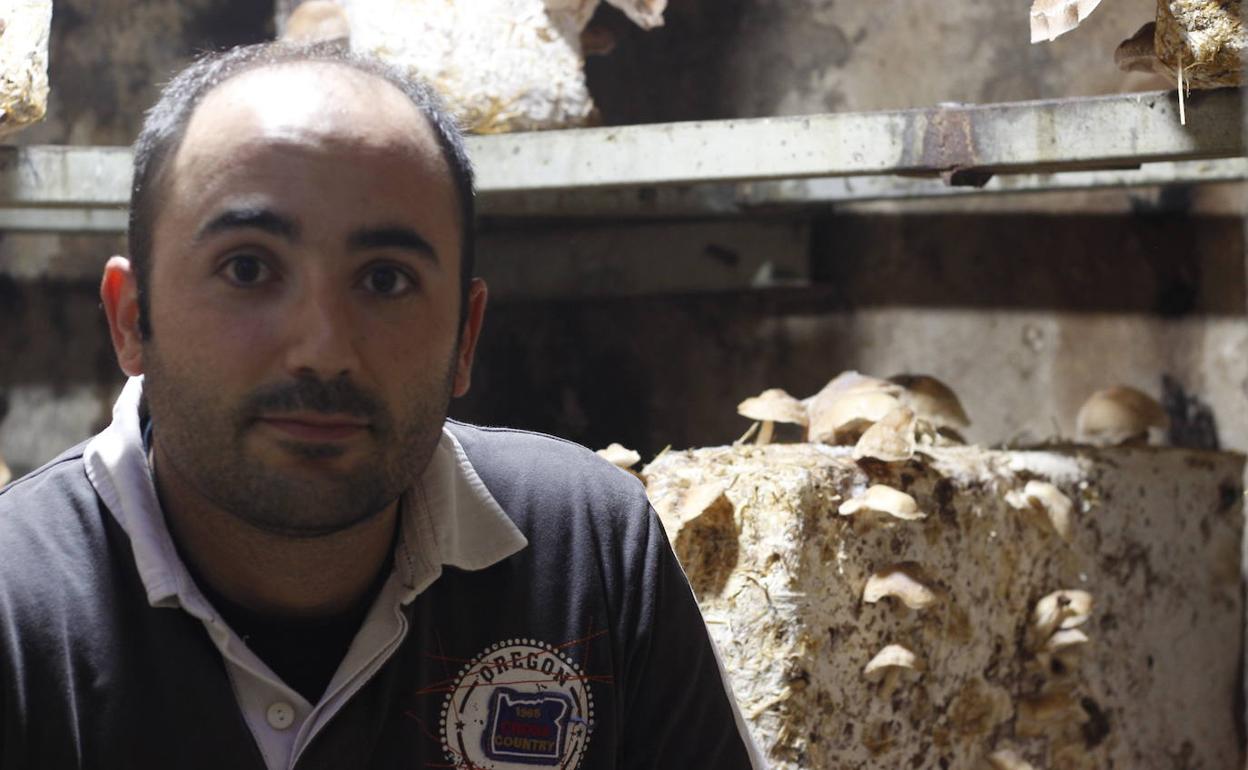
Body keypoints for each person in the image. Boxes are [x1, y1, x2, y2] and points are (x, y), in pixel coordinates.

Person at [0, 42, 763, 770]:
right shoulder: (15, 594)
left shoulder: (586, 550)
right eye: (246, 268)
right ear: (132, 318)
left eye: (385, 280)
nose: (323, 349)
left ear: (465, 337)